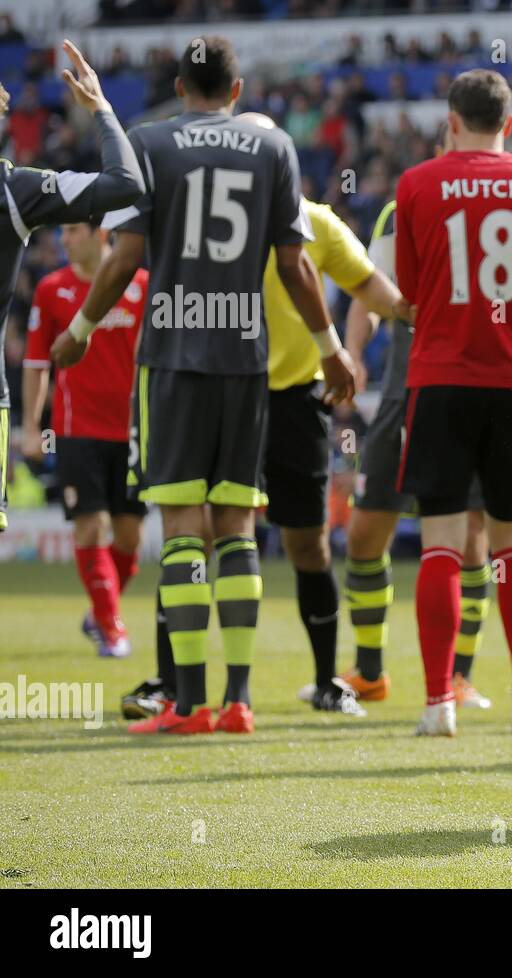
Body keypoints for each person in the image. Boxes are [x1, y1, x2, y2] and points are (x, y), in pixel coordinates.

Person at [52, 35, 357, 735]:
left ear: (181, 89)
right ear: (238, 89)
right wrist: (330, 348)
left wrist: (81, 329)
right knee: (238, 524)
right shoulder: (274, 147)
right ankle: (240, 700)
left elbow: (126, 253)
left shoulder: (151, 143)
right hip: (246, 363)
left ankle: (189, 704)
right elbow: (294, 265)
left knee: (184, 526)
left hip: (174, 361)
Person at [214, 114, 412, 718]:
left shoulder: (317, 222)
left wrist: (428, 313)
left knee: (306, 544)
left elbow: (374, 290)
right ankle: (203, 687)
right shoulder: (215, 224)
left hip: (297, 399)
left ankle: (328, 680)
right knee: (211, 534)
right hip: (222, 393)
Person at [394, 69, 512, 737]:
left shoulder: (418, 183)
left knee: (440, 540)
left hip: (439, 375)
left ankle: (439, 705)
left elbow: (409, 289)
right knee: (511, 540)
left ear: (452, 120)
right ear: (511, 123)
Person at [340, 124, 494, 713]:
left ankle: (459, 676)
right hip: (406, 389)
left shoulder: (497, 206)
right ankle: (372, 671)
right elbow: (367, 291)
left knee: (473, 534)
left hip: (476, 388)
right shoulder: (402, 209)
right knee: (364, 531)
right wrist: (354, 354)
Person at [0, 41, 144, 540]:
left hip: (112, 425)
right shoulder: (14, 191)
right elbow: (126, 183)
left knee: (118, 530)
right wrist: (101, 108)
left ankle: (106, 619)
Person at [21, 219, 148, 658]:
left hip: (134, 433)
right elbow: (37, 363)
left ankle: (99, 610)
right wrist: (35, 427)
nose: (64, 238)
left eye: (73, 230)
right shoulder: (51, 289)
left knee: (128, 538)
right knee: (91, 528)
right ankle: (112, 630)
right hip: (77, 431)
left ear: (101, 233)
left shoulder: (143, 285)